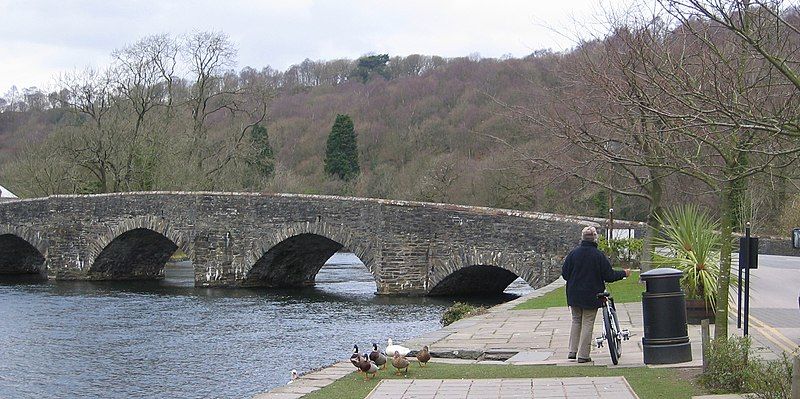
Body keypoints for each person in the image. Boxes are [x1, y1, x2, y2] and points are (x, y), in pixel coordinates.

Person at [561, 226, 630, 363]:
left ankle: (572, 351)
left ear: (582, 238)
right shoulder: (598, 255)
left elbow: (565, 274)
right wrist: (624, 273)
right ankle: (583, 355)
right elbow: (609, 275)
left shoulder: (573, 254)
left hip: (574, 294)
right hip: (592, 294)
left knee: (576, 321)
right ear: (595, 238)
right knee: (588, 321)